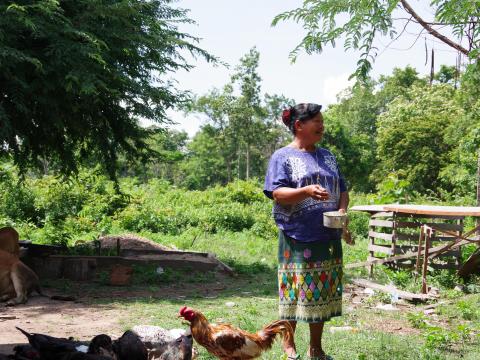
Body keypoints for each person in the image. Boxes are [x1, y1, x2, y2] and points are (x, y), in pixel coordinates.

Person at [263, 103, 351, 360]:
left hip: (328, 237)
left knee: (320, 294)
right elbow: (278, 194)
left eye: (322, 122)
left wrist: (342, 212)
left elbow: (342, 190)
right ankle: (289, 346)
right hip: (297, 237)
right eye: (317, 122)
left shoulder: (328, 156)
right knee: (294, 292)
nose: (322, 126)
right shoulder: (282, 157)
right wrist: (306, 191)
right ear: (299, 126)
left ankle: (316, 348)